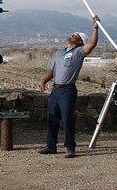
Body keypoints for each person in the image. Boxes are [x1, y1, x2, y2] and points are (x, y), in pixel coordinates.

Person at [38, 16, 100, 158]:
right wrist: (43, 81)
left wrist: (95, 28)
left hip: (67, 90)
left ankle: (70, 147)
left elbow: (91, 44)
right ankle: (51, 145)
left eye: (76, 35)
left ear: (79, 41)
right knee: (52, 118)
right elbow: (51, 71)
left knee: (67, 119)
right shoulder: (58, 53)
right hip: (55, 90)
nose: (73, 34)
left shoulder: (78, 53)